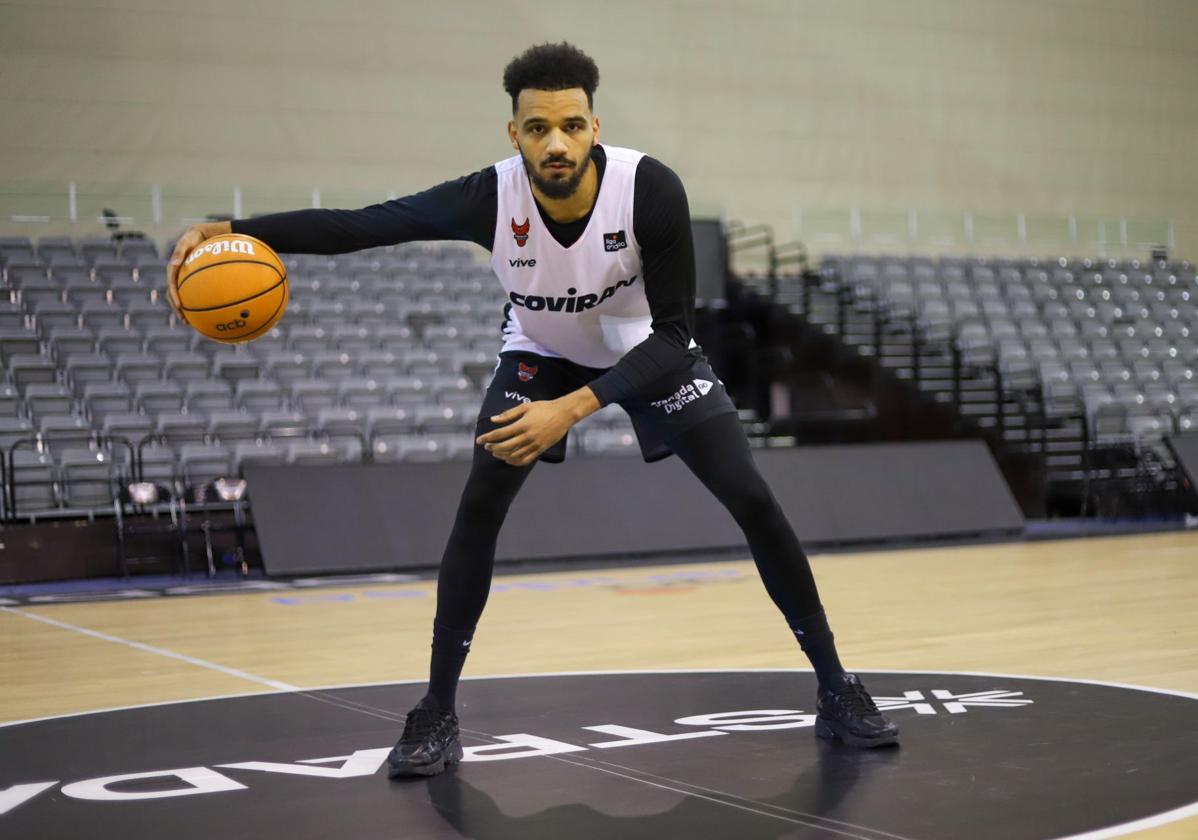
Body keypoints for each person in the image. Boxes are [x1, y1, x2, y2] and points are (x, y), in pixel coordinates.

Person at [166, 42, 899, 777]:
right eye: (539, 127)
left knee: (753, 499)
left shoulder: (651, 189)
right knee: (480, 504)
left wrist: (573, 409)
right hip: (539, 354)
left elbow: (675, 337)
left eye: (572, 126)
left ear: (594, 127)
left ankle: (837, 687)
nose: (557, 142)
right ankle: (436, 713)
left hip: (646, 351)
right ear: (512, 134)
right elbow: (361, 226)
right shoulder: (487, 197)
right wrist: (232, 230)